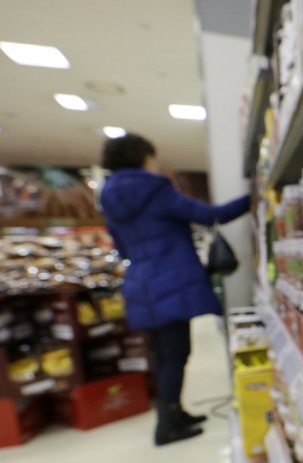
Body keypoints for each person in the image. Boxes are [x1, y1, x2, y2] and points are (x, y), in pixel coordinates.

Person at [99, 133, 250, 446]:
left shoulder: (109, 197)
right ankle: (167, 426)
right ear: (144, 157)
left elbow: (123, 248)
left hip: (141, 283)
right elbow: (210, 216)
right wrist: (254, 197)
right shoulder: (155, 189)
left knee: (164, 355)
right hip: (170, 282)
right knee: (175, 355)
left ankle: (175, 412)